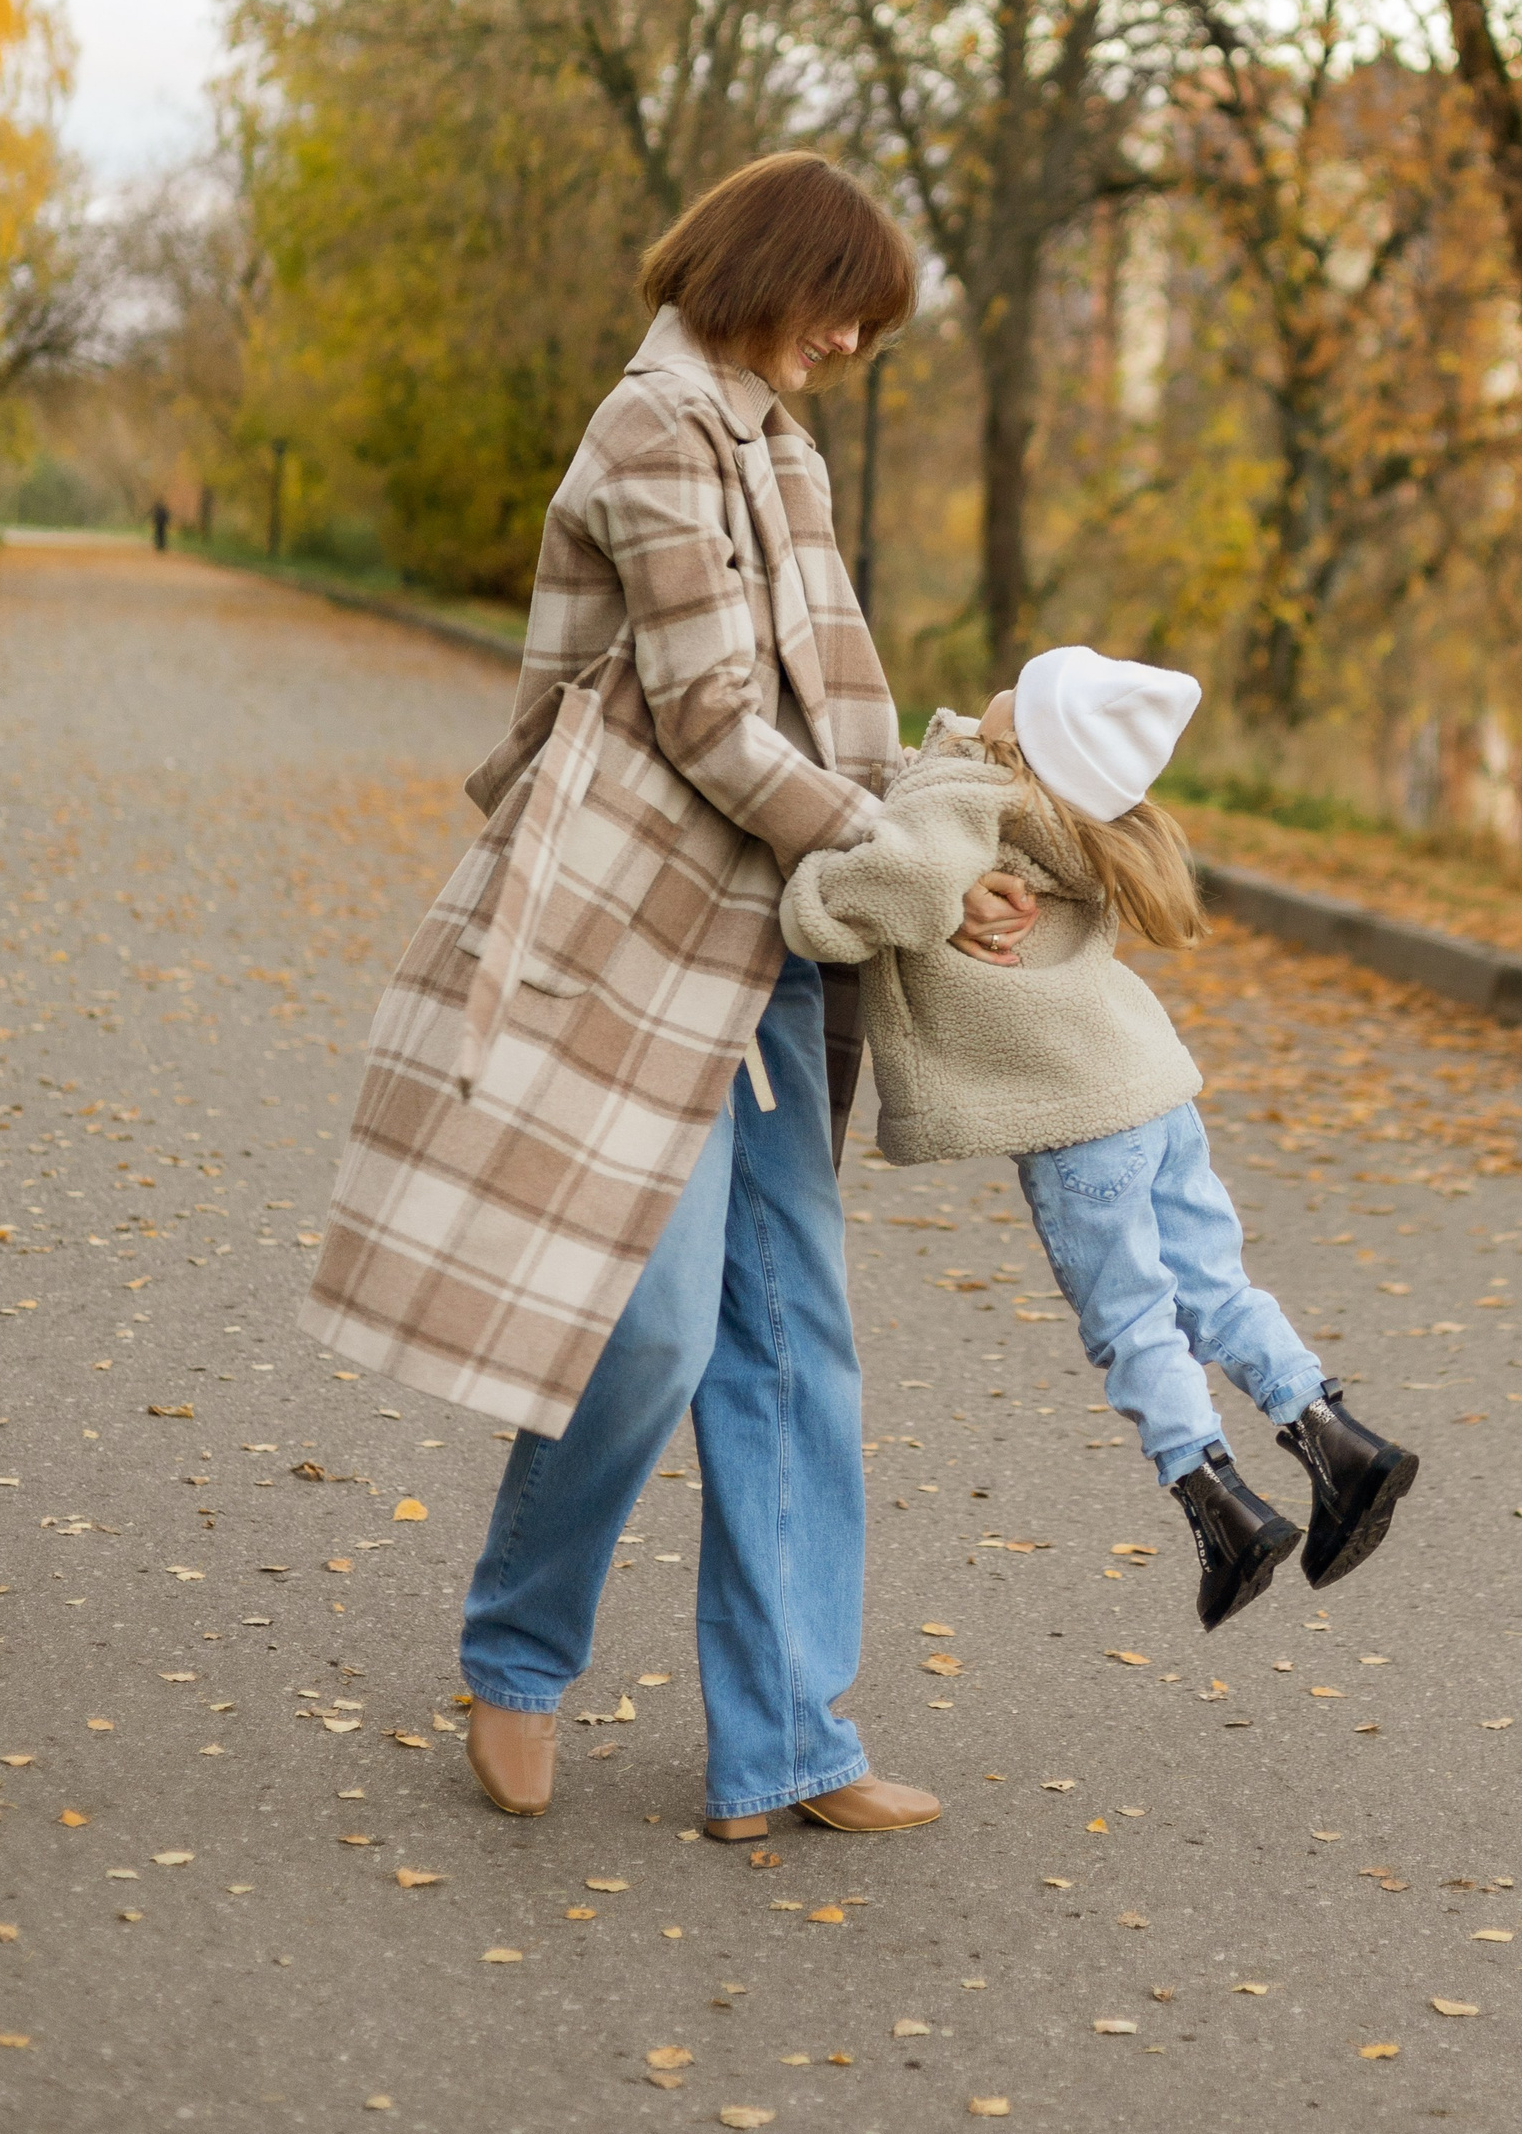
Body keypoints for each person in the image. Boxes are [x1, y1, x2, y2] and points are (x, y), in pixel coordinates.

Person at [301, 153, 1034, 1842]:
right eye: (848, 304)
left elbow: (824, 703)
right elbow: (709, 720)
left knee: (794, 1345)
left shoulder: (782, 445)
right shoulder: (655, 433)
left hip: (779, 938)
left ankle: (787, 1736)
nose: (854, 342)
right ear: (773, 272)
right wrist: (895, 851)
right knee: (652, 1326)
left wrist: (937, 818)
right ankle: (518, 1647)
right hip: (635, 943)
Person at [780, 646, 1419, 1630]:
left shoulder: (970, 792)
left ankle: (1221, 1508)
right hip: (1154, 1091)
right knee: (1214, 1284)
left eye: (1021, 691)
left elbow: (887, 886)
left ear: (1024, 736)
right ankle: (1334, 1441)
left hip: (1080, 1126)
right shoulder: (1086, 818)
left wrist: (806, 897)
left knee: (1130, 1321)